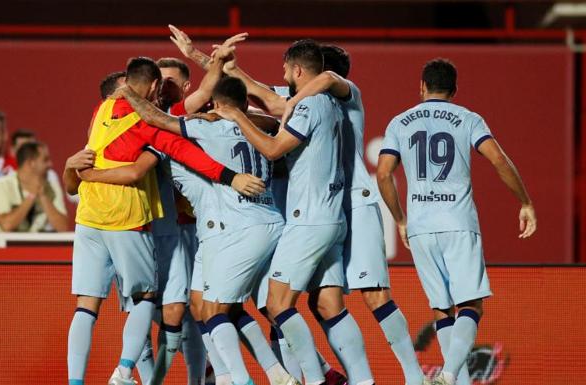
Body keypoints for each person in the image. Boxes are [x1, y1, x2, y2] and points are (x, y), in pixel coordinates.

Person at [65, 56, 264, 385]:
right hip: (127, 220)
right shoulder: (151, 123)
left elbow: (76, 180)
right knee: (146, 300)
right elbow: (181, 155)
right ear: (155, 86)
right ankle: (126, 372)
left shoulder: (100, 113)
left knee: (88, 307)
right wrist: (231, 177)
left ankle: (78, 381)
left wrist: (81, 172)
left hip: (89, 219)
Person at [219, 39, 373, 385]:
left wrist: (238, 116)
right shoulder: (329, 103)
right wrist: (221, 67)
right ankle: (363, 380)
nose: (283, 73)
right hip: (333, 218)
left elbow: (273, 149)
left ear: (299, 70)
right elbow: (272, 102)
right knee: (329, 305)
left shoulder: (307, 105)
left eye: (286, 68)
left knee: (276, 304)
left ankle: (316, 379)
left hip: (308, 220)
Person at [376, 58, 537, 385]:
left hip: (420, 226)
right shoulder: (468, 119)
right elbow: (498, 160)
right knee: (471, 306)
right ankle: (450, 375)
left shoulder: (400, 122)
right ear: (455, 89)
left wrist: (400, 220)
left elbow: (383, 174)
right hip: (458, 222)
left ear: (422, 86)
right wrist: (525, 202)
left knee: (442, 310)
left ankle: (455, 380)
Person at [280, 44, 428, 385]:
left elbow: (327, 80)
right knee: (324, 301)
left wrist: (292, 99)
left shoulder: (348, 96)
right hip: (328, 209)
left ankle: (414, 376)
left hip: (356, 201)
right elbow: (270, 98)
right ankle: (355, 379)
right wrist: (230, 74)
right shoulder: (311, 104)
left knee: (375, 294)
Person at [0, 141, 68, 232]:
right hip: (2, 245)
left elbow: (63, 228)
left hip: (37, 246)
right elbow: (6, 225)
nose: (50, 164)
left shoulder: (51, 187)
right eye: (45, 160)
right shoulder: (1, 186)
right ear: (31, 163)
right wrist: (31, 196)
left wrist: (43, 196)